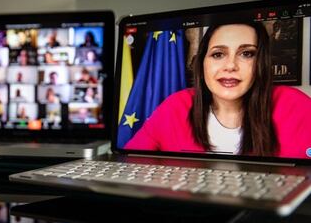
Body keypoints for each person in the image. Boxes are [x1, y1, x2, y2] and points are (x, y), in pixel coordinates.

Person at [125, 23, 311, 158]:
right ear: (203, 63)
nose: (230, 65)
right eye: (218, 54)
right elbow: (130, 163)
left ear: (260, 62)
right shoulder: (176, 106)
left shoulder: (297, 106)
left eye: (246, 54)